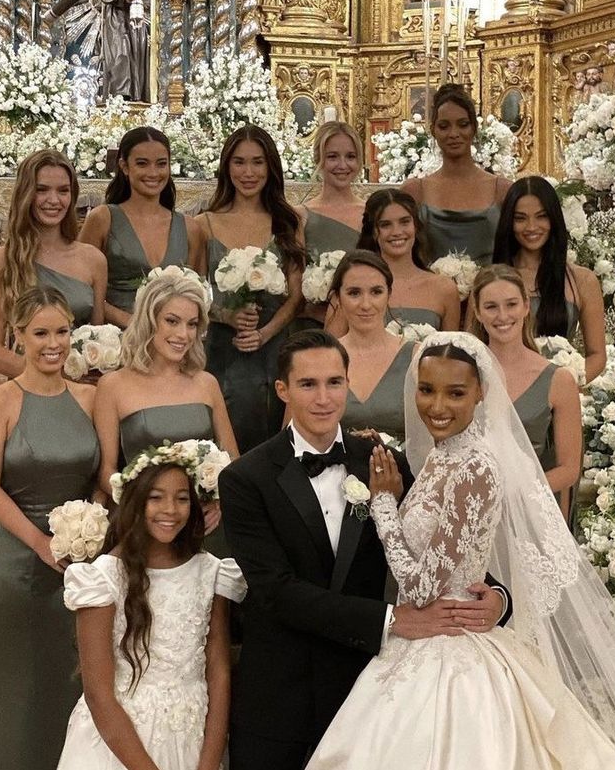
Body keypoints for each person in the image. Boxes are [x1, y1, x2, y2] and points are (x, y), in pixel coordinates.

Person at [307, 332, 615, 770]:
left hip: (451, 648)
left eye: (455, 393)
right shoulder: (441, 455)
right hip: (420, 639)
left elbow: (422, 585)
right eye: (427, 390)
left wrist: (384, 505)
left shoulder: (475, 467)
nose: (437, 406)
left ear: (480, 394)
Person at [219, 329, 512, 770]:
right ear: (283, 390)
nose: (323, 398)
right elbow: (275, 591)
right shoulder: (245, 478)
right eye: (307, 384)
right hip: (282, 695)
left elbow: (437, 542)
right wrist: (394, 620)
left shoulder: (379, 459)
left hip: (369, 689)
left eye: (334, 382)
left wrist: (497, 600)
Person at [0, 287, 100, 770]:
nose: (53, 343)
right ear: (18, 336)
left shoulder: (91, 397)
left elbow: (105, 476)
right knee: (19, 686)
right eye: (40, 332)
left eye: (62, 331)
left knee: (75, 682)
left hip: (84, 561)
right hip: (21, 565)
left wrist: (95, 521)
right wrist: (43, 544)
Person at [57, 447, 246, 770]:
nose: (170, 509)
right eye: (156, 498)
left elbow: (218, 669)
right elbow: (99, 695)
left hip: (192, 737)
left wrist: (211, 759)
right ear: (135, 502)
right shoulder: (102, 579)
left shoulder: (210, 572)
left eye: (182, 498)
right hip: (120, 743)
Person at [195, 125, 306, 454]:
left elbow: (296, 295)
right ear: (226, 167)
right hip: (221, 347)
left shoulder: (288, 221)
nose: (248, 172)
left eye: (257, 162)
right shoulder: (205, 224)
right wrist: (228, 316)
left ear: (270, 167)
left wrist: (266, 333)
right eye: (239, 162)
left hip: (273, 348)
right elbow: (196, 291)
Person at [94, 270, 238, 501]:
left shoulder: (207, 383)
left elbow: (233, 462)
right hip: (143, 519)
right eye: (172, 321)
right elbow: (105, 473)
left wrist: (219, 505)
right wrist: (142, 505)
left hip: (206, 521)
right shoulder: (112, 386)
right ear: (149, 321)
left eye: (192, 324)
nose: (183, 334)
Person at [0, 150, 107, 377]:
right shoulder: (1, 261)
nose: (54, 200)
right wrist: (50, 380)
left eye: (63, 191)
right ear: (25, 194)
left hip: (82, 394)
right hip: (26, 391)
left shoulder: (93, 260)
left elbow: (96, 341)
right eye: (42, 190)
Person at [471, 265, 582, 521]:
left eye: (511, 304)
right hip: (472, 510)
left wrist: (512, 494)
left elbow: (568, 469)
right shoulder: (464, 373)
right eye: (491, 307)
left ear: (525, 306)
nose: (502, 315)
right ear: (477, 312)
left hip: (531, 512)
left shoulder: (558, 379)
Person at [80, 127, 203, 327]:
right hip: (115, 341)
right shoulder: (103, 218)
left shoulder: (190, 228)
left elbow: (196, 293)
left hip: (172, 344)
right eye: (142, 164)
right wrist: (134, 324)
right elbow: (82, 287)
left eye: (161, 164)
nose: (153, 173)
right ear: (124, 166)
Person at [492, 176, 606, 382]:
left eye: (541, 216)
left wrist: (563, 387)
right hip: (504, 393)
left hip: (561, 395)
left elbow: (597, 356)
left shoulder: (582, 280)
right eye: (520, 218)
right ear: (509, 222)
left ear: (553, 218)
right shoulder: (490, 279)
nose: (531, 226)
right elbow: (475, 350)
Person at [401, 83, 512, 265]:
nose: (454, 134)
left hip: (493, 291)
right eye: (444, 126)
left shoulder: (502, 190)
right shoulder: (414, 192)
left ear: (474, 128)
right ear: (433, 131)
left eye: (463, 124)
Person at [327, 250, 416, 444]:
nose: (366, 304)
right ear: (338, 298)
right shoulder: (320, 358)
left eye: (376, 292)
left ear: (388, 295)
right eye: (354, 293)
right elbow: (294, 434)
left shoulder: (416, 356)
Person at [294, 122, 366, 329]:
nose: (342, 165)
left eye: (350, 157)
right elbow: (294, 285)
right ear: (319, 159)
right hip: (312, 326)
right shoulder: (300, 216)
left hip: (362, 325)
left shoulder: (371, 212)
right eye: (333, 157)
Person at [357, 189, 460, 331]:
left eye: (404, 222)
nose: (397, 232)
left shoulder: (444, 289)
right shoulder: (354, 285)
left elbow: (450, 351)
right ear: (373, 231)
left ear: (415, 226)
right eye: (385, 225)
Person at [96, 0, 154, 102]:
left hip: (135, 17)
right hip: (116, 18)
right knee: (121, 52)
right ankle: (121, 97)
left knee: (138, 51)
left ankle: (137, 95)